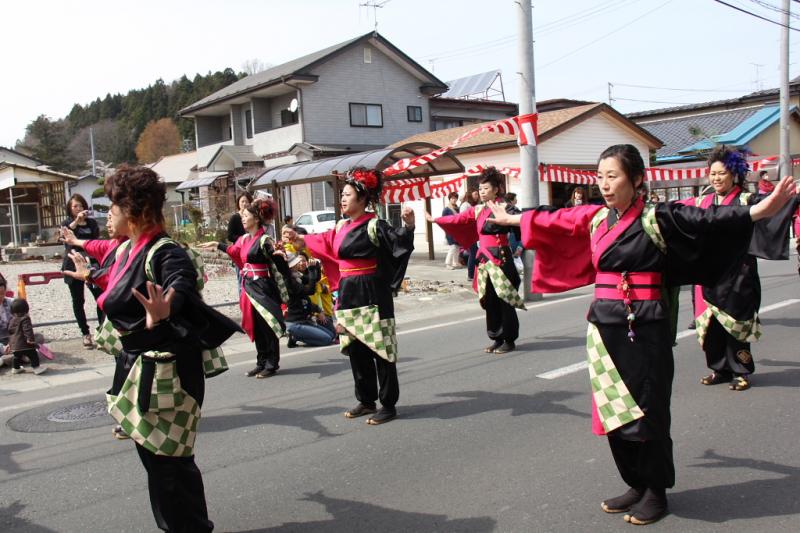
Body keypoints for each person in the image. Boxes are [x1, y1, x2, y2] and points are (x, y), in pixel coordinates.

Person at [487, 144, 796, 526]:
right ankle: (634, 482)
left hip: (644, 325)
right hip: (603, 327)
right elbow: (558, 219)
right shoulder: (598, 218)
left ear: (636, 179)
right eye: (600, 176)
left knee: (648, 410)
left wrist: (759, 210)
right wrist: (513, 219)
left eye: (612, 176)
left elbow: (707, 220)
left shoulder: (658, 217)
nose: (604, 184)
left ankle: (655, 491)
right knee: (614, 409)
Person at [85, 165, 239, 532]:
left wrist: (165, 306)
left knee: (171, 465)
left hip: (168, 370)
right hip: (141, 367)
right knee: (158, 463)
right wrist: (86, 275)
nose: (108, 215)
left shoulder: (164, 250)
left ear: (134, 211)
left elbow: (180, 280)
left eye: (113, 207)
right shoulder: (127, 250)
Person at [302, 167, 414, 425]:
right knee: (356, 348)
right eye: (342, 194)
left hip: (372, 291)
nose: (343, 198)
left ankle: (388, 404)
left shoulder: (375, 225)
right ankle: (366, 400)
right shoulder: (342, 225)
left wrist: (409, 226)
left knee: (381, 348)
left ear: (362, 199)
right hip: (348, 290)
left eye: (348, 194)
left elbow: (398, 244)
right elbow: (326, 243)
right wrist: (300, 239)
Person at [683, 146, 798, 392]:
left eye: (721, 173)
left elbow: (773, 207)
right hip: (707, 275)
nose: (716, 178)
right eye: (712, 173)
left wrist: (791, 196)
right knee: (711, 326)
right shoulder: (703, 201)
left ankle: (741, 370)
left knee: (736, 325)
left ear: (734, 174)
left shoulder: (747, 200)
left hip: (738, 274)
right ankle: (719, 369)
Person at [427, 167, 523, 354]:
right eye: (480, 189)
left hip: (501, 258)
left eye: (486, 188)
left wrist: (520, 245)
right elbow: (458, 219)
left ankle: (509, 340)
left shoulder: (505, 207)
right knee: (490, 301)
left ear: (496, 189)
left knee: (505, 300)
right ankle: (496, 336)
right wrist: (436, 220)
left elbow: (521, 223)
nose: (482, 191)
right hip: (484, 260)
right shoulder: (478, 209)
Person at [199, 198, 288, 379]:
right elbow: (234, 251)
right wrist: (217, 245)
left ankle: (271, 363)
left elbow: (276, 258)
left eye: (246, 215)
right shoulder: (245, 239)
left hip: (262, 287)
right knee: (255, 324)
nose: (243, 218)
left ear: (256, 218)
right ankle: (261, 361)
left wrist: (280, 255)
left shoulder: (264, 239)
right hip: (249, 285)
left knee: (266, 325)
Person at [61, 193, 101, 348]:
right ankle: (85, 333)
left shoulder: (91, 223)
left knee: (100, 297)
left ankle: (101, 329)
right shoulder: (67, 223)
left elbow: (96, 241)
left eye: (81, 205)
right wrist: (75, 223)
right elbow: (63, 238)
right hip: (74, 264)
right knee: (78, 300)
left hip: (92, 264)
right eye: (75, 206)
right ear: (70, 209)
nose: (78, 208)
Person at [285, 253, 336, 347]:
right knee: (326, 339)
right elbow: (310, 290)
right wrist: (312, 270)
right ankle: (295, 336)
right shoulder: (289, 281)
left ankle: (301, 334)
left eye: (303, 261)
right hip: (296, 322)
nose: (300, 264)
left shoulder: (297, 275)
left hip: (307, 318)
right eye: (297, 262)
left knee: (332, 335)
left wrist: (315, 268)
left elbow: (314, 279)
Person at [7, 298, 46, 375]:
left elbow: (10, 331)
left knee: (16, 357)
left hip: (15, 345)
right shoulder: (25, 319)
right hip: (25, 344)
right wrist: (30, 339)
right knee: (33, 354)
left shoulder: (12, 320)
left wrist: (11, 343)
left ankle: (15, 368)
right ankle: (36, 368)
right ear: (26, 309)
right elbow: (27, 329)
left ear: (12, 311)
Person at [461, 189, 480, 281]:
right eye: (475, 194)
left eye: (477, 194)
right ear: (470, 195)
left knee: (475, 252)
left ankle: (473, 274)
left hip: (473, 232)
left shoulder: (472, 205)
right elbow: (464, 219)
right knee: (473, 253)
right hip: (469, 233)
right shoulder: (466, 205)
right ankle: (471, 275)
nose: (477, 195)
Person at [442, 192, 461, 269]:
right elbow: (443, 220)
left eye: (455, 198)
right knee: (453, 247)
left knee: (457, 247)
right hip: (450, 230)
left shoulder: (457, 208)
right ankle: (448, 263)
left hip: (457, 230)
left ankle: (455, 262)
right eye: (452, 198)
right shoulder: (446, 209)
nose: (454, 200)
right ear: (449, 199)